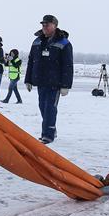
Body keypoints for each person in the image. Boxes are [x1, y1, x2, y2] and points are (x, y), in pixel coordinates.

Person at [24, 14, 73, 144]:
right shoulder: (37, 41)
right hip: (41, 81)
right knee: (42, 106)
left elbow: (68, 65)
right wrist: (28, 79)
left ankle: (48, 135)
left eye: (47, 24)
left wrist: (66, 85)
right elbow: (31, 61)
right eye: (43, 24)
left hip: (55, 83)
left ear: (55, 26)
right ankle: (51, 129)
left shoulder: (64, 43)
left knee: (50, 108)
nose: (44, 27)